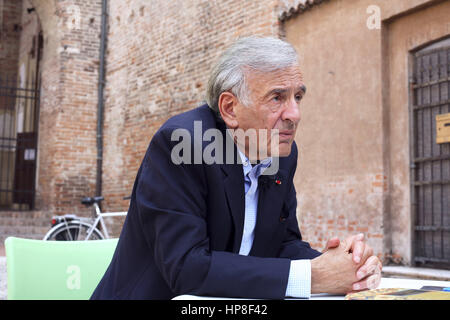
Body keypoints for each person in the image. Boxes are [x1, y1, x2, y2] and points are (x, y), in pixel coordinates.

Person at [91, 36, 382, 300]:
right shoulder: (183, 144)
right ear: (230, 108)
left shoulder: (282, 154)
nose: (294, 114)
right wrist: (314, 276)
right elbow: (187, 268)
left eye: (298, 97)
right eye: (277, 98)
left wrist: (342, 266)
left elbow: (281, 245)